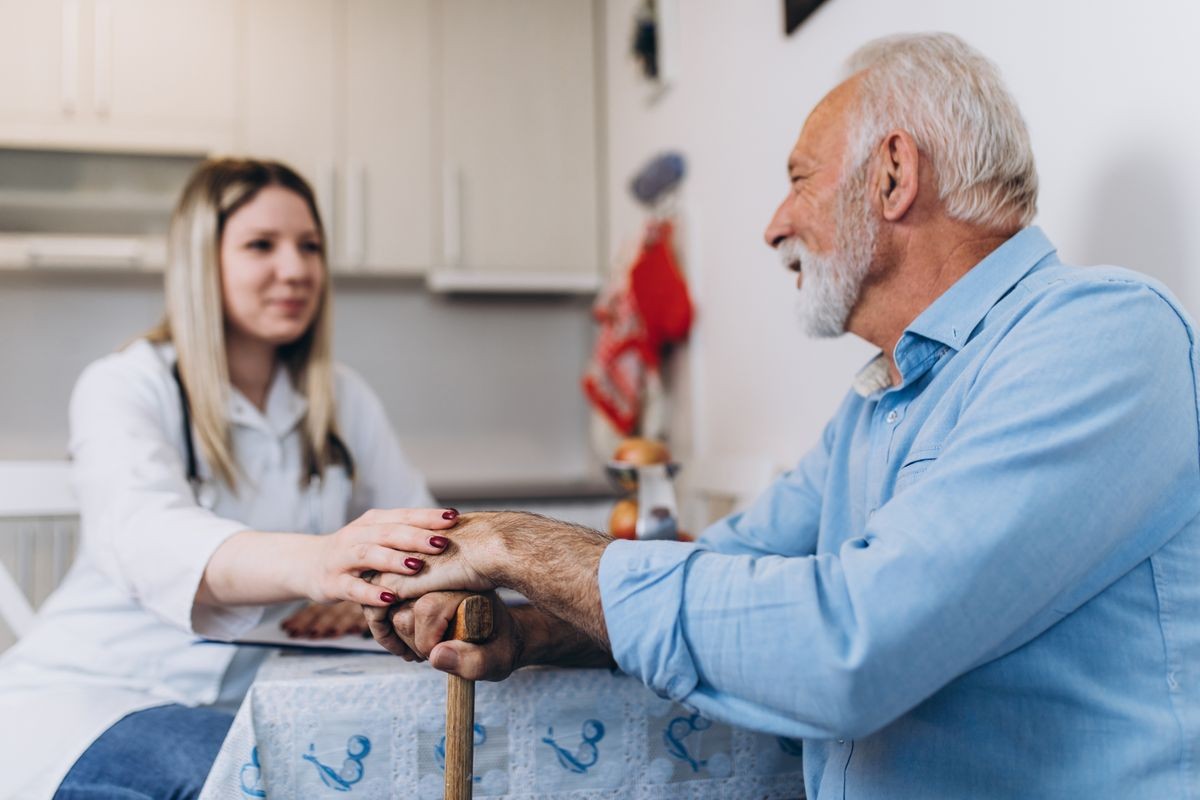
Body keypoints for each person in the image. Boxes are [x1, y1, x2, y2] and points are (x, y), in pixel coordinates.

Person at [365, 33, 1200, 798]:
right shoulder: (877, 401)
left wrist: (514, 545)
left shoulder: (1104, 334)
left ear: (893, 174)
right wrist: (532, 631)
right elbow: (728, 571)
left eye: (799, 180)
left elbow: (852, 648)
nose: (774, 226)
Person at [0, 158, 458, 800]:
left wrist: (366, 591)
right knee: (275, 780)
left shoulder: (341, 399)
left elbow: (424, 533)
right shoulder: (126, 384)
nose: (295, 269)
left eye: (310, 246)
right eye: (261, 245)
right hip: (94, 696)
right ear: (201, 262)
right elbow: (143, 534)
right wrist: (321, 563)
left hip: (252, 703)